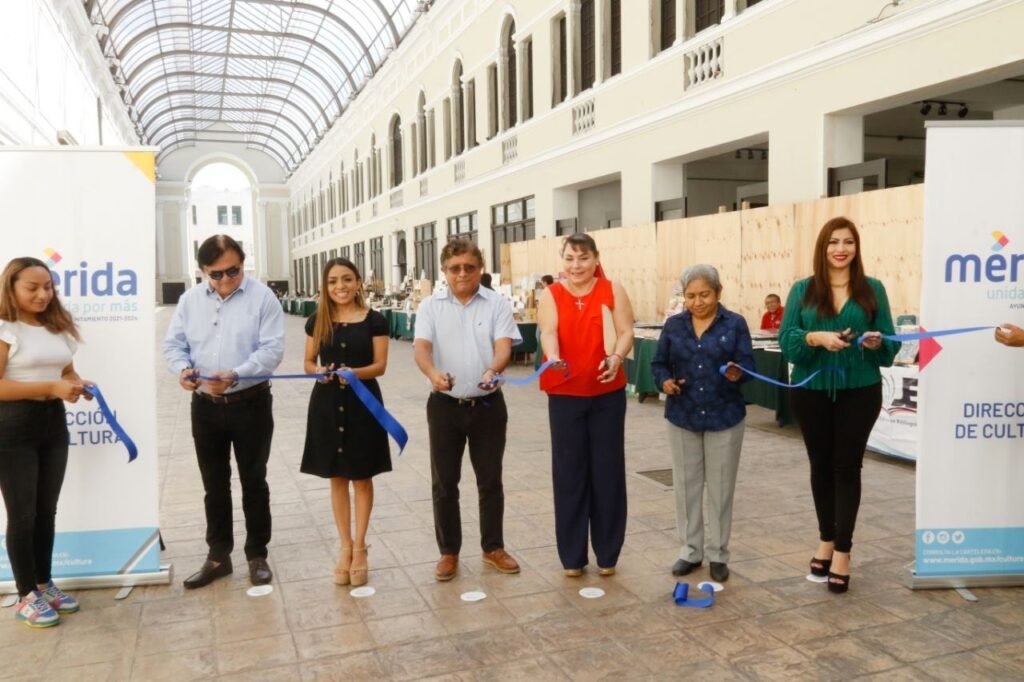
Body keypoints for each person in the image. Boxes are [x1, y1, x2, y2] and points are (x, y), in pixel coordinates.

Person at [779, 217, 899, 594]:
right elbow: (788, 342)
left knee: (847, 467)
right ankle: (826, 541)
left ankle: (843, 552)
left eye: (848, 242)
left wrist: (878, 343)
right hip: (810, 391)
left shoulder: (873, 289)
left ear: (856, 248)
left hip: (859, 391)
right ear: (823, 247)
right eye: (833, 242)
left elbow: (890, 347)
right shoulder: (802, 290)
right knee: (820, 466)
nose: (841, 249)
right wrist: (814, 337)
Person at [163, 235, 285, 589]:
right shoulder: (189, 301)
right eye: (216, 274)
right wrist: (183, 370)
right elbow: (174, 345)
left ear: (243, 263)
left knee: (254, 480)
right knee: (214, 484)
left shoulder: (263, 298)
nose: (226, 279)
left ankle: (257, 554)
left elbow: (272, 350)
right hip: (205, 408)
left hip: (251, 404)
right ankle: (218, 556)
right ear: (203, 271)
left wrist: (236, 374)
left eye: (233, 270)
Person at [414, 238, 522, 581]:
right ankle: (448, 552)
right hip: (444, 406)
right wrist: (433, 374)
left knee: (490, 480)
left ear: (480, 269)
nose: (462, 273)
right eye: (454, 268)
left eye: (469, 267)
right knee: (444, 482)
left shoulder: (496, 304)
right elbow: (421, 349)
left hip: (488, 406)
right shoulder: (430, 307)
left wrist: (493, 370)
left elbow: (503, 347)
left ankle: (493, 547)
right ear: (444, 271)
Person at [538, 233, 635, 577]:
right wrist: (553, 357)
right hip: (565, 394)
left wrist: (616, 357)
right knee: (569, 473)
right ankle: (572, 557)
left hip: (606, 394)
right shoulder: (552, 294)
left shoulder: (612, 290)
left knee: (608, 472)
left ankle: (608, 554)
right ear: (562, 260)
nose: (576, 265)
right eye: (569, 258)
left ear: (596, 258)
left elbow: (626, 331)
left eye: (583, 258)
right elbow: (548, 331)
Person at [0, 257, 89, 628]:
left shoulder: (57, 326)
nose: (43, 294)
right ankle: (26, 595)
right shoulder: (5, 328)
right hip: (12, 428)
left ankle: (43, 583)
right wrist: (52, 387)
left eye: (48, 287)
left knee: (45, 510)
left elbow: (65, 369)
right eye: (32, 287)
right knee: (22, 514)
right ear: (11, 287)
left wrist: (76, 384)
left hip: (53, 423)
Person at [651, 264, 753, 583]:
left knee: (721, 489)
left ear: (718, 292)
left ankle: (718, 554)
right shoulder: (674, 326)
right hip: (683, 416)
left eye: (705, 295)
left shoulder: (735, 324)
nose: (698, 302)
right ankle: (690, 551)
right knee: (686, 486)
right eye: (691, 296)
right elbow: (658, 364)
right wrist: (665, 382)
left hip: (725, 416)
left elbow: (748, 364)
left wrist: (738, 372)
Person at [302, 258, 391, 587]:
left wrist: (355, 373)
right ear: (325, 286)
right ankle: (344, 546)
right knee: (337, 477)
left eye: (347, 279)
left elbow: (380, 365)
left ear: (357, 282)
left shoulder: (375, 320)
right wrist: (319, 372)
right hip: (326, 404)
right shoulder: (317, 320)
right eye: (333, 281)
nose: (340, 286)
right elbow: (308, 361)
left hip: (362, 404)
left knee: (362, 477)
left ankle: (361, 546)